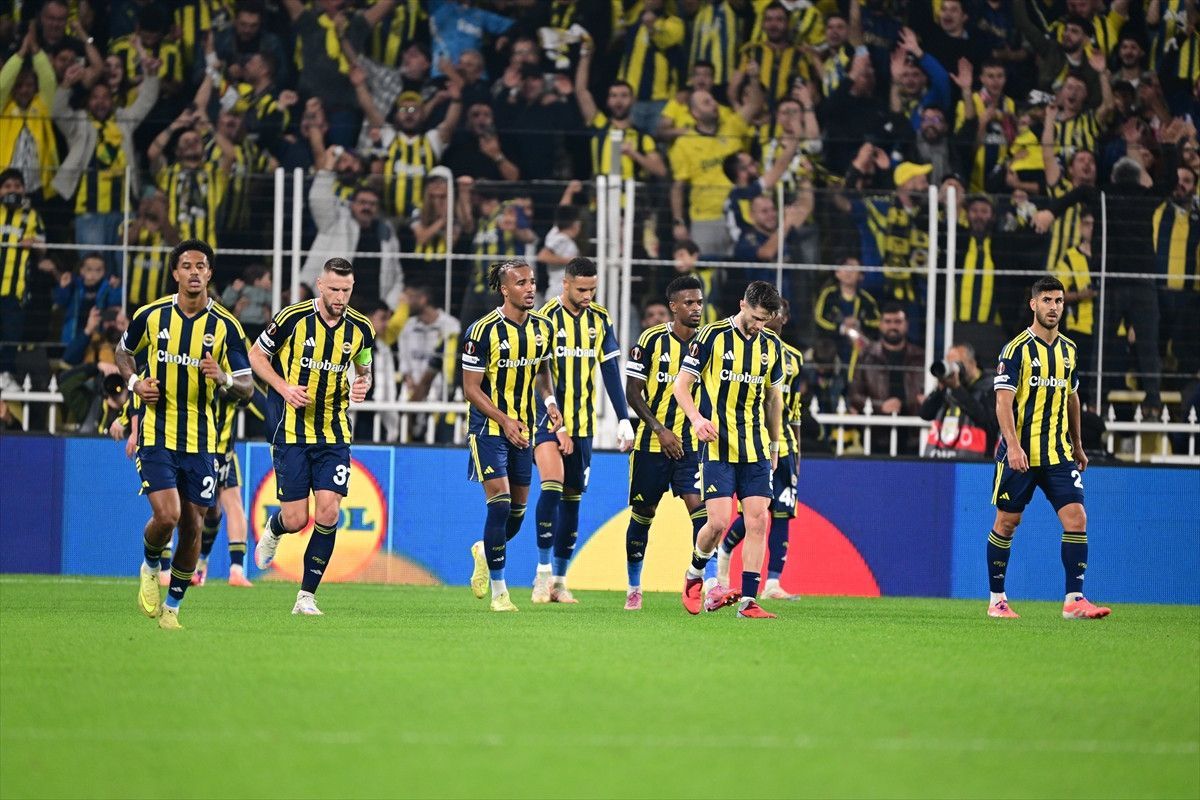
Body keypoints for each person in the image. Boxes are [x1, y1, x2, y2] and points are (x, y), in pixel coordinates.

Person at [115, 239, 254, 630]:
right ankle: (149, 564)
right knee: (168, 515)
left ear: (210, 274)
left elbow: (246, 388)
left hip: (202, 441)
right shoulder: (151, 315)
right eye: (187, 266)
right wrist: (136, 383)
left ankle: (172, 608)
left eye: (201, 266)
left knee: (193, 526)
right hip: (157, 434)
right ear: (175, 273)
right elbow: (122, 352)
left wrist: (223, 377)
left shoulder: (226, 326)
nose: (194, 272)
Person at [251, 258, 376, 616]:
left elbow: (364, 367)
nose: (340, 297)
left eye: (346, 290)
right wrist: (284, 387)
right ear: (320, 285)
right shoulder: (292, 318)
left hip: (334, 432)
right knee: (296, 519)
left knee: (329, 511)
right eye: (334, 289)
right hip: (290, 430)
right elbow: (257, 355)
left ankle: (306, 596)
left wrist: (364, 382)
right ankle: (275, 529)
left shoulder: (362, 328)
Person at [988, 276, 1111, 620]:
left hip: (1058, 454)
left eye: (1058, 301)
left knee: (1077, 518)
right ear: (1033, 304)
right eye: (1046, 300)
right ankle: (997, 600)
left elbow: (1072, 398)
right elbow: (1003, 402)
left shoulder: (1069, 350)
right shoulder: (1016, 349)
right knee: (1007, 523)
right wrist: (1013, 446)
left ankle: (1074, 600)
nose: (1053, 307)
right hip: (1021, 455)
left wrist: (1078, 445)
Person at [674, 280, 785, 620]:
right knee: (718, 523)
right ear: (742, 304)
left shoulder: (772, 346)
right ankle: (694, 573)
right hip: (718, 446)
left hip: (755, 448)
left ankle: (748, 601)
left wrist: (775, 444)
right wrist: (696, 419)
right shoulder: (712, 336)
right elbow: (681, 386)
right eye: (756, 317)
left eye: (766, 320)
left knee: (758, 521)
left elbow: (774, 400)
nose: (759, 325)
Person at [531, 257, 634, 603]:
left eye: (593, 289)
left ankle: (559, 582)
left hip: (584, 424)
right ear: (566, 284)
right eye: (582, 289)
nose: (588, 296)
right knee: (551, 487)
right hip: (547, 419)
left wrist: (623, 418)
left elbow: (610, 371)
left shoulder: (600, 319)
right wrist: (555, 417)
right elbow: (539, 373)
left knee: (572, 502)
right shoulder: (545, 318)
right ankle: (541, 575)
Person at [462, 259, 559, 612]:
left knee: (516, 514)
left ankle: (483, 550)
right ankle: (500, 594)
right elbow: (471, 388)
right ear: (504, 289)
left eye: (532, 281)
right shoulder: (481, 331)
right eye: (521, 283)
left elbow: (542, 371)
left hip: (524, 428)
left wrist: (549, 401)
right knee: (500, 504)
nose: (530, 288)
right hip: (488, 428)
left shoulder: (544, 327)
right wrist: (504, 420)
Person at [623, 275, 717, 611]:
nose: (696, 308)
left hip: (692, 446)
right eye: (689, 303)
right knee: (643, 513)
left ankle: (710, 583)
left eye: (699, 302)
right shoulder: (650, 340)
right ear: (673, 307)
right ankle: (634, 587)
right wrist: (659, 429)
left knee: (702, 512)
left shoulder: (709, 343)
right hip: (651, 445)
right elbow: (633, 392)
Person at [716, 298, 804, 601]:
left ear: (784, 318)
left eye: (774, 314)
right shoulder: (738, 345)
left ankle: (772, 583)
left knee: (782, 512)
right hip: (752, 443)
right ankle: (725, 549)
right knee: (755, 513)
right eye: (765, 314)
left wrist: (796, 451)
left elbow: (794, 408)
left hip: (784, 445)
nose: (769, 318)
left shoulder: (794, 358)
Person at [194, 380, 266, 588]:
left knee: (233, 504)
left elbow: (259, 403)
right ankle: (197, 562)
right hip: (197, 450)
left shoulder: (235, 372)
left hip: (224, 453)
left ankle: (236, 570)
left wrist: (231, 386)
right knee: (207, 511)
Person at [0, 170, 45, 386]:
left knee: (11, 334)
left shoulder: (32, 215)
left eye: (17, 186)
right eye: (7, 186)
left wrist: (34, 243)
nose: (12, 190)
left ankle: (5, 374)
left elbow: (43, 247)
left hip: (15, 289)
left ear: (24, 190)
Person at [919, 342, 997, 459]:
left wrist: (957, 388)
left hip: (976, 463)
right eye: (950, 364)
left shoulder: (990, 386)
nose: (954, 370)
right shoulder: (948, 386)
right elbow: (925, 414)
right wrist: (940, 389)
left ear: (972, 362)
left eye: (957, 364)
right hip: (942, 458)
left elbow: (987, 420)